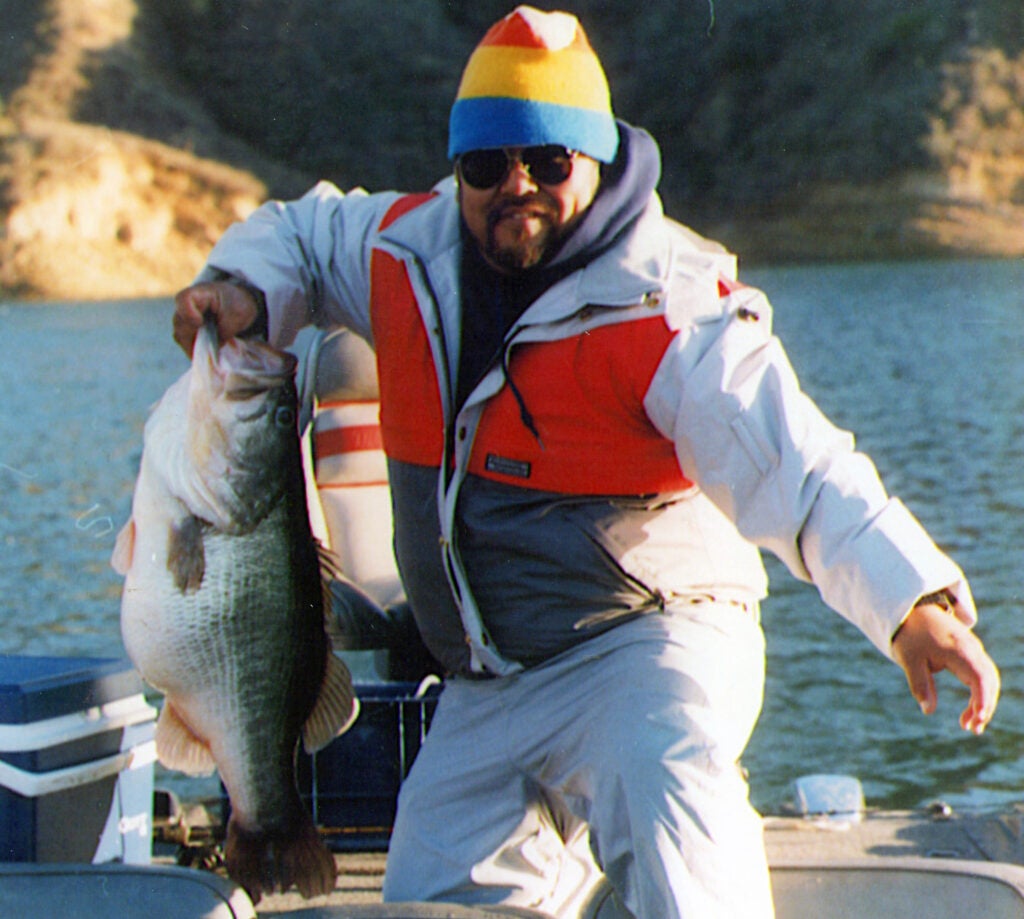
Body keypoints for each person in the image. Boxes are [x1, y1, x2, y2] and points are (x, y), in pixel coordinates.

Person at [171, 7, 1000, 916]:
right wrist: (241, 287)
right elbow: (296, 234)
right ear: (458, 172)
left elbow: (797, 463)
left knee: (672, 781)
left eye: (548, 161)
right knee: (425, 900)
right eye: (486, 165)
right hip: (492, 678)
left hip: (651, 636)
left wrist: (911, 601)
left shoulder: (671, 301)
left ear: (594, 160)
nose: (514, 185)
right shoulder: (401, 251)